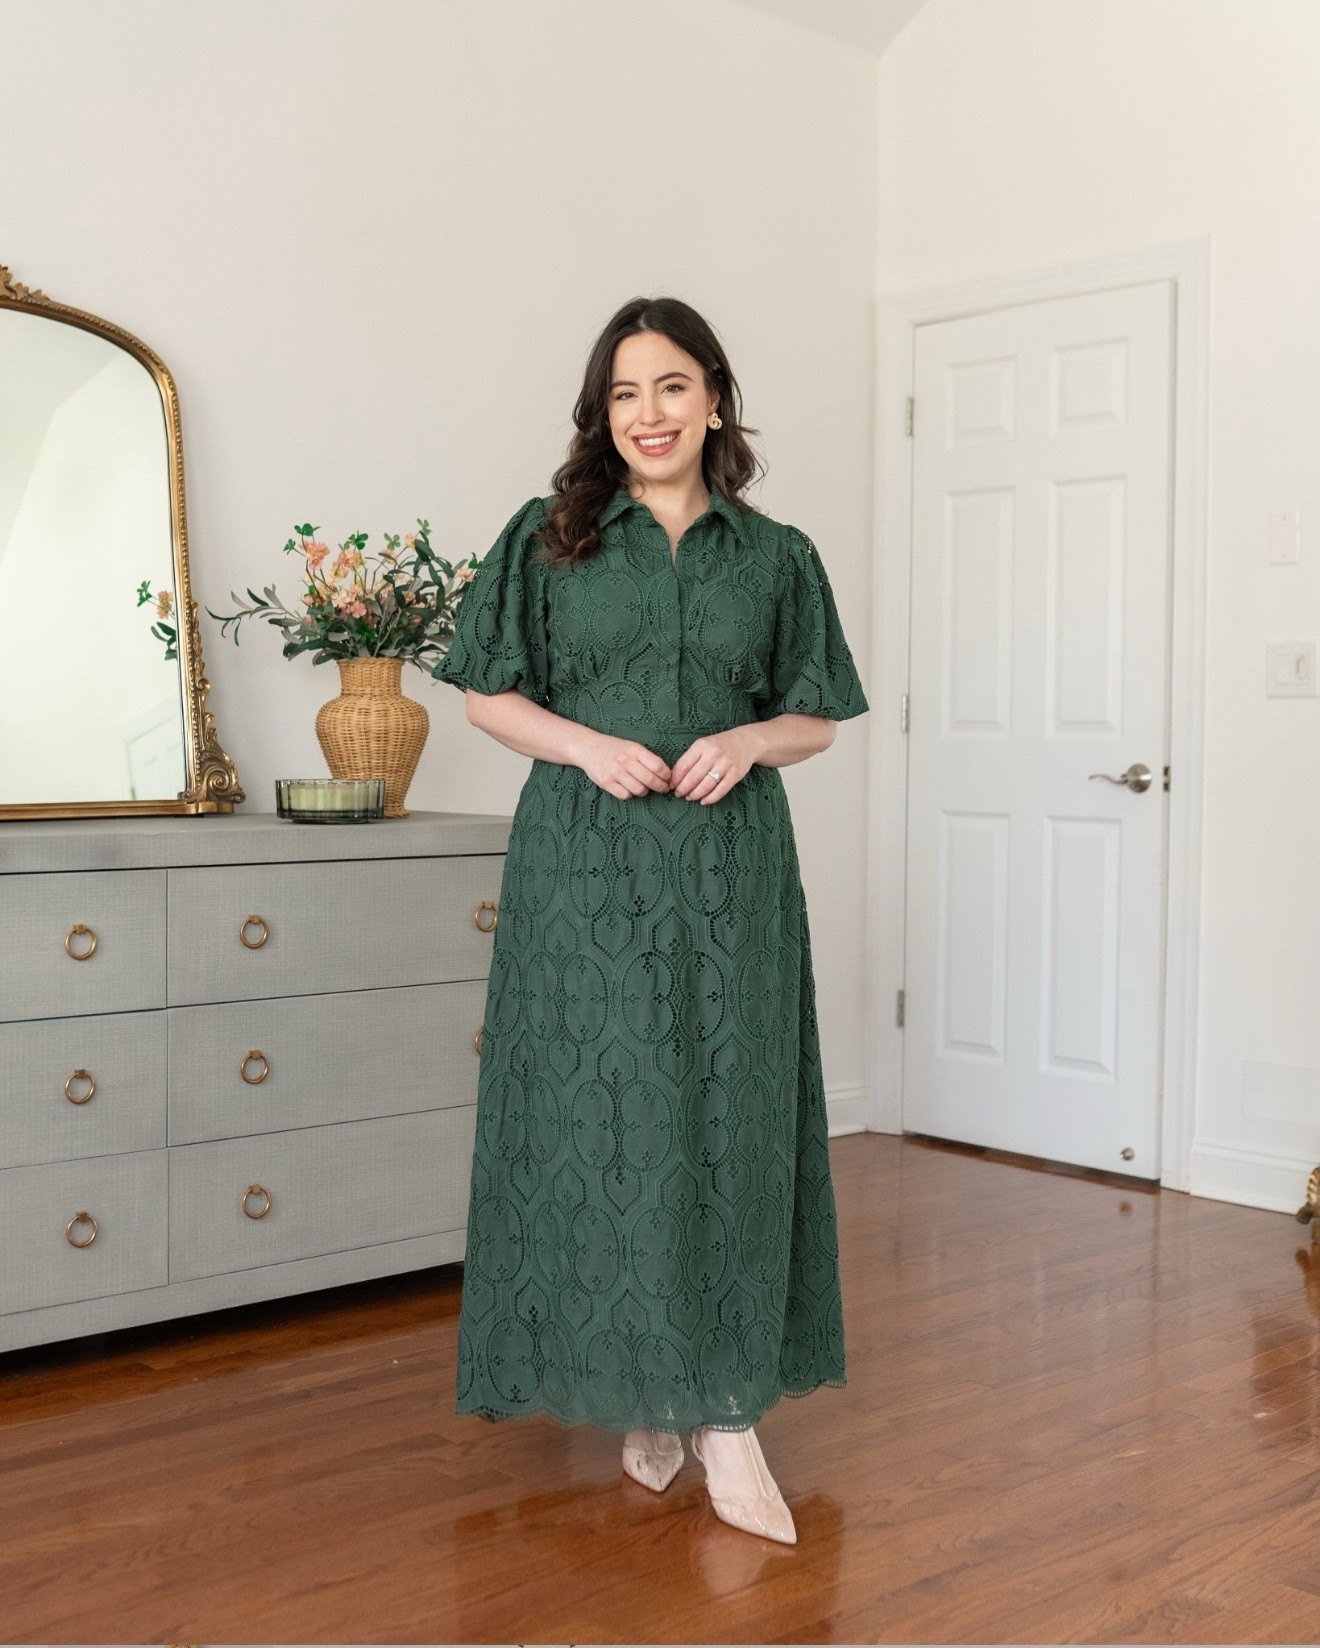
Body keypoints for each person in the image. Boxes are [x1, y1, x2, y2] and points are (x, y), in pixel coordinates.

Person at [433, 295, 869, 1545]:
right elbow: (486, 696)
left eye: (671, 386)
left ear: (715, 398)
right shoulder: (547, 538)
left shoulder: (778, 556)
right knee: (607, 1120)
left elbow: (818, 715)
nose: (649, 413)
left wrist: (748, 740)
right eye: (625, 393)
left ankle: (722, 1411)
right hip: (586, 869)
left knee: (725, 1117)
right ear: (602, 413)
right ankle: (651, 1390)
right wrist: (587, 746)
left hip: (732, 871)